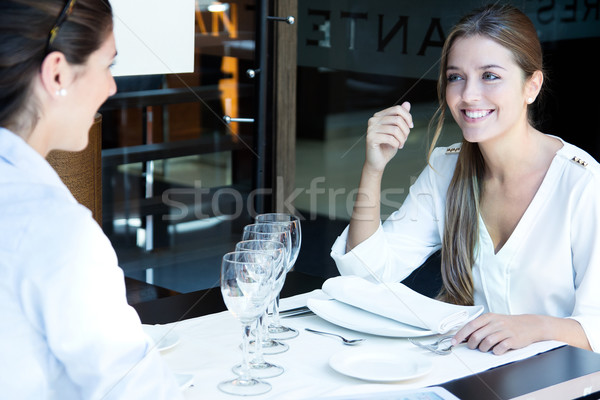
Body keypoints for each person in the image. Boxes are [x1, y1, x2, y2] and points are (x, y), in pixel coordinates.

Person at [331, 3, 600, 355]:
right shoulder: (446, 170)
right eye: (456, 77)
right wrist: (373, 168)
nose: (469, 94)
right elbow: (365, 275)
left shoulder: (583, 184)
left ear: (531, 86)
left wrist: (534, 326)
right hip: (473, 375)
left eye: (490, 76)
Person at [0, 1, 183, 398]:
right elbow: (135, 388)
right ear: (58, 72)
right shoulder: (54, 228)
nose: (112, 87)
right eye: (108, 65)